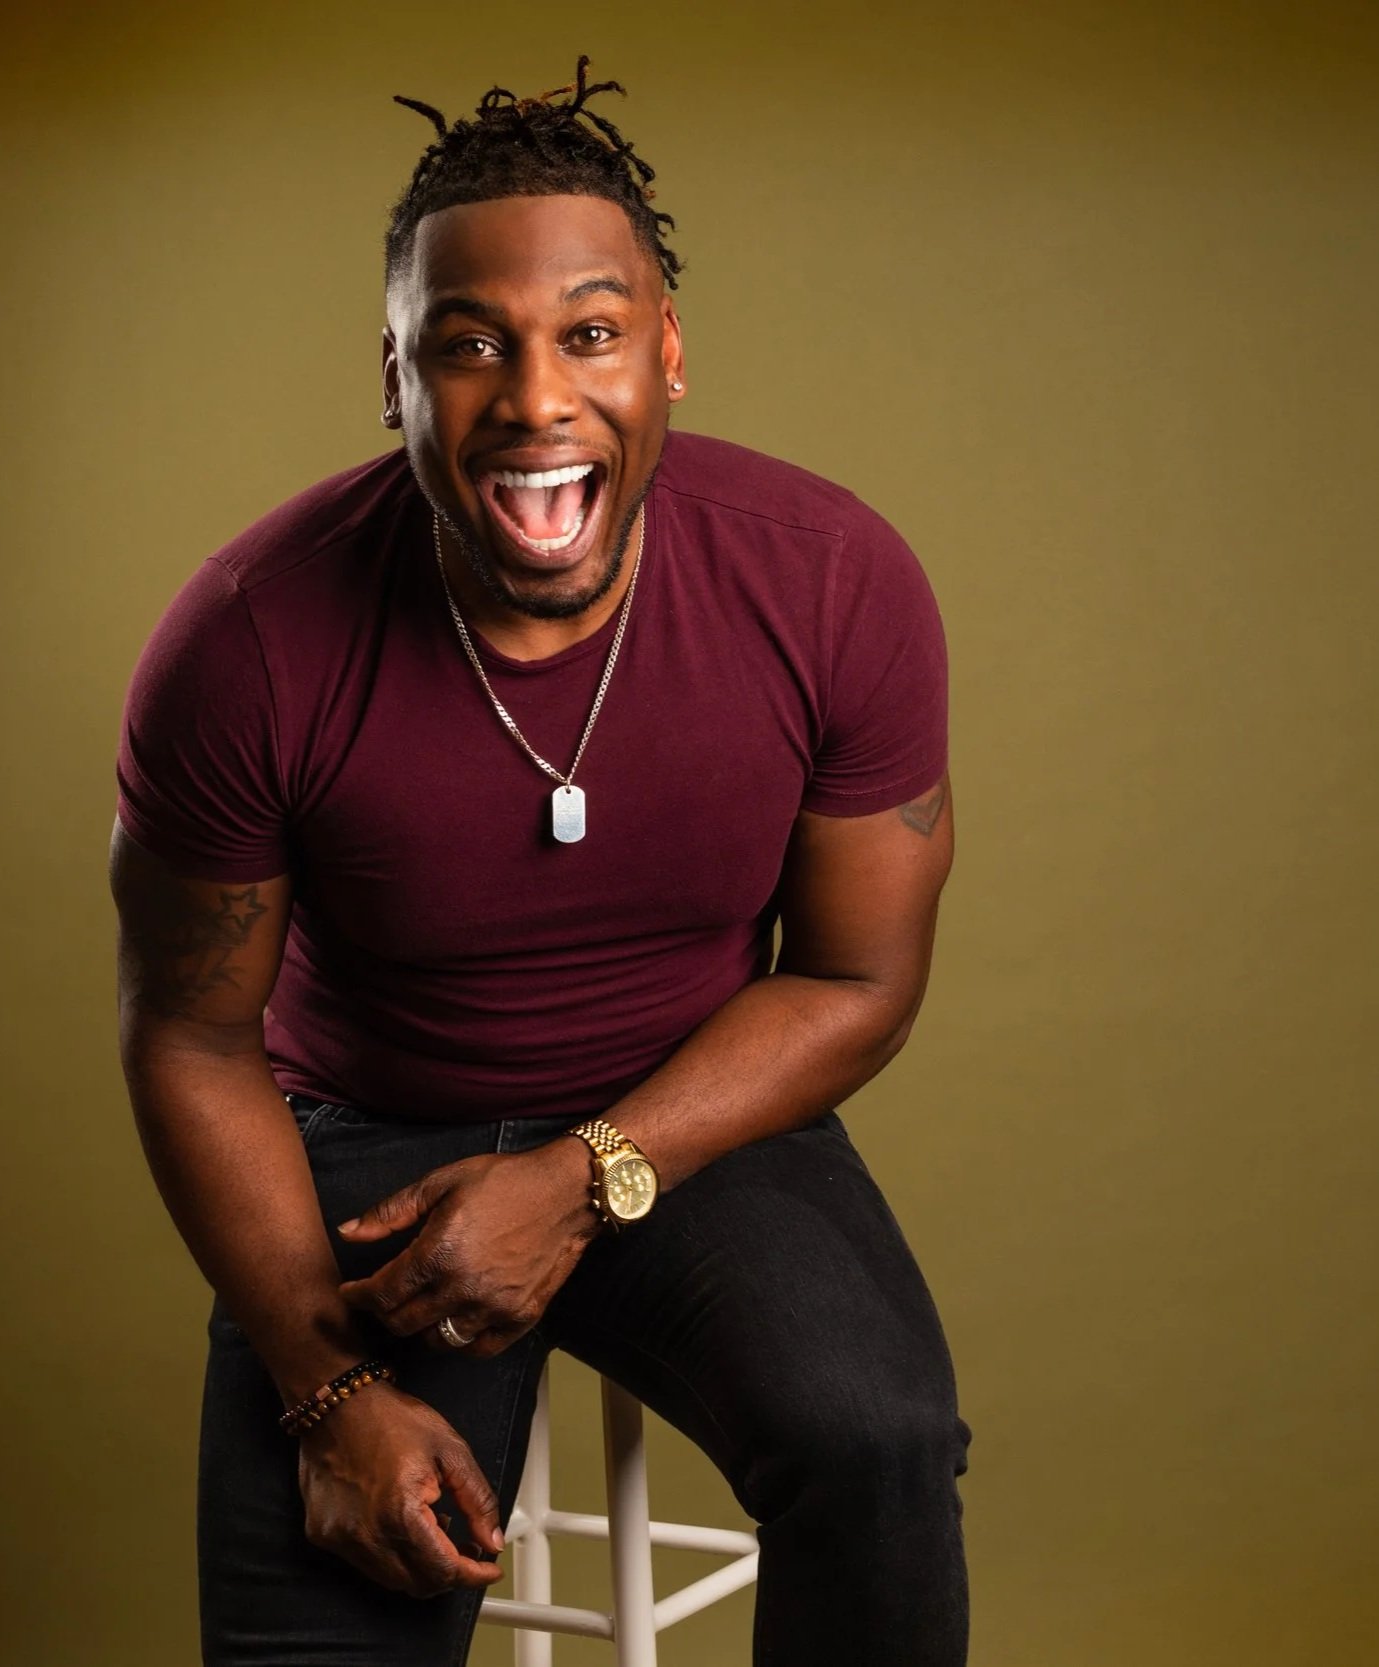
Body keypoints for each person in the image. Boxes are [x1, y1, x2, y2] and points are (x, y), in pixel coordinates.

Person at [111, 57, 970, 1667]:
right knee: (336, 1606)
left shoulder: (833, 584)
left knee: (878, 1448)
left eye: (589, 333)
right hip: (363, 1150)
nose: (534, 401)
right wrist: (329, 1393)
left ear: (667, 353)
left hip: (691, 1118)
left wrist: (583, 1178)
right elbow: (192, 1038)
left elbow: (860, 979)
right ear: (394, 376)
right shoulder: (247, 643)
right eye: (468, 344)